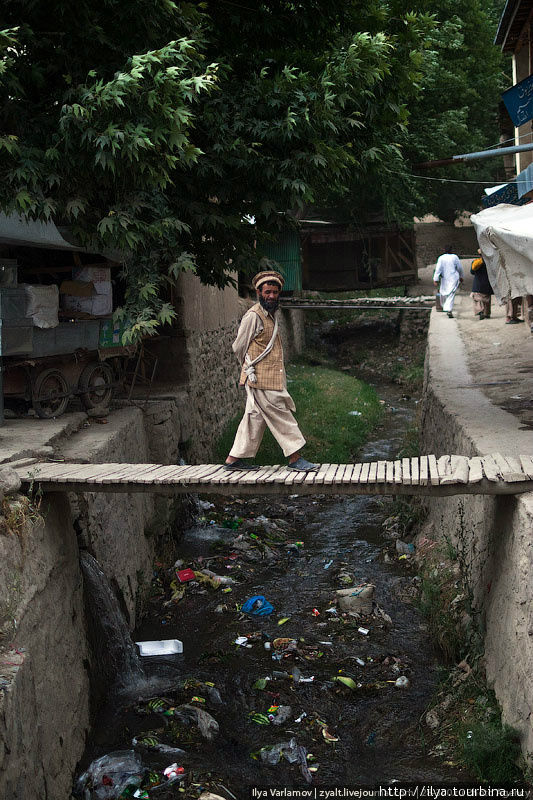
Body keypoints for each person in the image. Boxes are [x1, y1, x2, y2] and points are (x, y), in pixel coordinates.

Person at [224, 270, 319, 472]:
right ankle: (295, 458)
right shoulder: (253, 316)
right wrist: (249, 369)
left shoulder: (269, 316)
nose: (271, 296)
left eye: (275, 292)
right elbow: (238, 346)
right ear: (259, 292)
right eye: (267, 292)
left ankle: (233, 459)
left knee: (254, 418)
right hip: (261, 379)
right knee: (281, 415)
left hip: (266, 379)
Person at [433, 246, 464, 318]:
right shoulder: (454, 257)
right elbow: (460, 268)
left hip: (445, 279)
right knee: (450, 294)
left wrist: (436, 279)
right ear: (451, 250)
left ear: (444, 250)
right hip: (453, 278)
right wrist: (461, 276)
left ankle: (448, 309)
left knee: (445, 293)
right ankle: (448, 309)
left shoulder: (441, 258)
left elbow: (438, 269)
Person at [470, 250, 493, 320]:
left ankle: (480, 311)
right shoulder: (490, 262)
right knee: (487, 299)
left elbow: (472, 272)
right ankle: (486, 313)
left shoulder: (476, 262)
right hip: (487, 283)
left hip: (478, 284)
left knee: (477, 299)